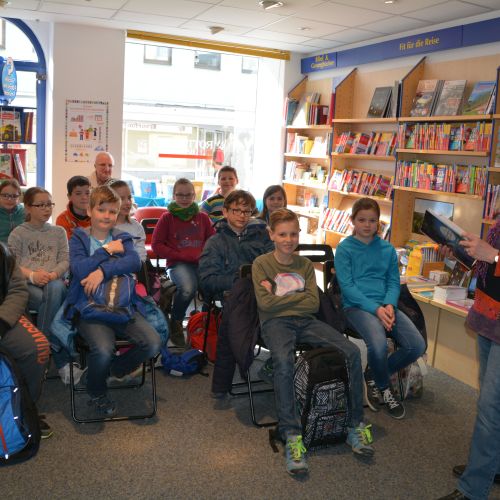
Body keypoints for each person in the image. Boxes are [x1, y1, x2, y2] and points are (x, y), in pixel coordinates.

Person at [252, 208, 374, 475]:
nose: (288, 239)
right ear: (271, 234)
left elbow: (312, 302)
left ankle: (355, 425)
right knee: (284, 362)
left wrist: (283, 297)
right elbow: (266, 304)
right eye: (282, 234)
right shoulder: (261, 264)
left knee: (351, 351)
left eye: (293, 233)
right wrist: (295, 297)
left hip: (306, 321)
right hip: (275, 323)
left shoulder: (305, 266)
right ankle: (292, 435)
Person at [65, 186, 161, 416]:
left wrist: (101, 272)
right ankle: (97, 392)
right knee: (104, 349)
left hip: (121, 306)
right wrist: (106, 251)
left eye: (112, 211)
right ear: (89, 210)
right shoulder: (79, 238)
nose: (107, 215)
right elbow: (79, 269)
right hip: (89, 308)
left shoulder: (123, 237)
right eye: (101, 210)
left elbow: (134, 263)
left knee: (153, 342)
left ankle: (111, 370)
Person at [335, 197, 426, 420]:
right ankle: (385, 388)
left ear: (379, 223)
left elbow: (394, 282)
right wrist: (376, 309)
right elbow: (347, 287)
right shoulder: (345, 248)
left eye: (372, 220)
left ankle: (375, 373)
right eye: (362, 220)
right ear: (352, 221)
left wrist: (389, 306)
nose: (367, 225)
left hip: (386, 306)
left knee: (416, 345)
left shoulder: (387, 249)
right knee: (377, 345)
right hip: (357, 307)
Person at [438, 218, 500, 500]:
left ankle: (473, 490)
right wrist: (464, 254)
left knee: (490, 408)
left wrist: (494, 255)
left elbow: (495, 258)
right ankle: (490, 464)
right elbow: (489, 267)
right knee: (491, 404)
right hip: (489, 317)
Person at [151, 178, 214, 347]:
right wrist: (179, 254)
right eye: (180, 195)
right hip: (177, 264)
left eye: (188, 195)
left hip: (201, 263)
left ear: (194, 195)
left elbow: (212, 240)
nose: (184, 198)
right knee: (188, 288)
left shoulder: (203, 217)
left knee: (212, 286)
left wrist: (204, 256)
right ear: (173, 195)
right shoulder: (167, 218)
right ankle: (176, 322)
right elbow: (157, 245)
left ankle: (205, 324)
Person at [0, 241, 52, 438]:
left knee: (38, 347)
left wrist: (2, 322)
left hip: (4, 317)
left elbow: (18, 291)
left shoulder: (3, 252)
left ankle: (24, 408)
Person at [199, 189, 274, 301]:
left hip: (263, 293)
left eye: (246, 211)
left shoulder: (262, 236)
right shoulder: (215, 242)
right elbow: (207, 280)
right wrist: (240, 281)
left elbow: (274, 265)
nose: (242, 215)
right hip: (231, 297)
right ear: (225, 212)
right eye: (236, 210)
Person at [110, 180, 147, 261]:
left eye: (129, 198)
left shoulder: (137, 227)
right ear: (110, 201)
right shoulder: (104, 227)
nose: (128, 202)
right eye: (122, 198)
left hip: (131, 271)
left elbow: (141, 257)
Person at [55, 175, 91, 240]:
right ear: (69, 196)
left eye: (87, 193)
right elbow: (68, 246)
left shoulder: (97, 216)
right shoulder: (62, 219)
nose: (84, 197)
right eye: (78, 193)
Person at [0, 178, 25, 243]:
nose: (9, 199)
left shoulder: (25, 212)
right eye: (5, 195)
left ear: (19, 197)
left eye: (14, 196)